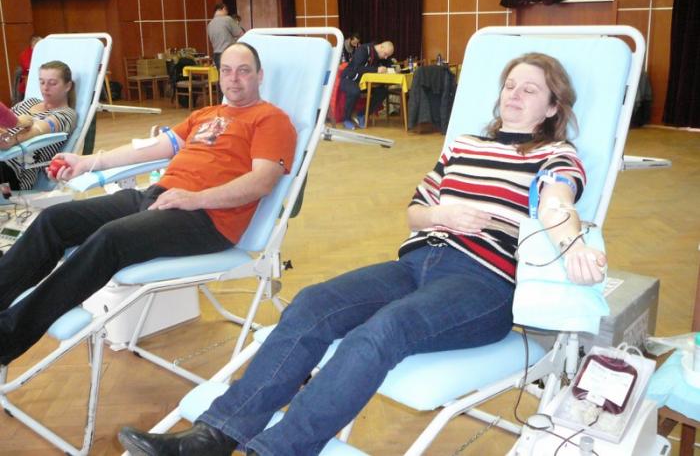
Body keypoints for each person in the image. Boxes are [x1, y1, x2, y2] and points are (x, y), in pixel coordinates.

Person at [118, 53, 607, 456]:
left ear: (551, 107)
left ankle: (277, 450)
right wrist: (443, 215)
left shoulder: (554, 155)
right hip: (416, 263)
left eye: (529, 90)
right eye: (510, 85)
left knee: (385, 329)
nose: (513, 95)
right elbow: (415, 213)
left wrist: (574, 245)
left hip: (483, 284)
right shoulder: (464, 146)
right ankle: (214, 436)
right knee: (312, 303)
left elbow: (557, 204)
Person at [0, 43, 297, 366]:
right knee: (55, 220)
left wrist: (195, 198)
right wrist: (87, 162)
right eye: (227, 70)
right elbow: (150, 148)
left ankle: (8, 335)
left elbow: (261, 181)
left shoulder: (271, 119)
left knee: (110, 239)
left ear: (259, 76)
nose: (234, 79)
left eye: (244, 71)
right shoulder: (205, 115)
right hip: (158, 196)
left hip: (206, 217)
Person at [0, 60, 77, 190]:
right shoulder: (30, 102)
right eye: (42, 82)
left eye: (52, 83)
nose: (45, 88)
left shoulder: (67, 114)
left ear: (67, 86)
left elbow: (39, 129)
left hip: (14, 175)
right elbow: (4, 121)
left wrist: (11, 140)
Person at [339, 40, 394, 130]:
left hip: (365, 83)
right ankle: (346, 119)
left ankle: (362, 114)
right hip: (349, 79)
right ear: (381, 47)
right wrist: (376, 70)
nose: (386, 57)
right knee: (354, 91)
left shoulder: (380, 54)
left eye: (387, 56)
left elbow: (389, 63)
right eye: (385, 54)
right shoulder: (363, 50)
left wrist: (393, 68)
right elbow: (357, 68)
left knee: (383, 91)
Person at [207, 3, 245, 72]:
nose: (227, 13)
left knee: (222, 76)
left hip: (216, 55)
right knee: (232, 75)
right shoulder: (227, 19)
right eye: (227, 10)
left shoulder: (210, 24)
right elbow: (241, 34)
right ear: (223, 9)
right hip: (229, 53)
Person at [15, 34, 42, 103]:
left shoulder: (44, 51)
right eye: (36, 42)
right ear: (32, 43)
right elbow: (28, 67)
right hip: (28, 82)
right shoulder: (25, 54)